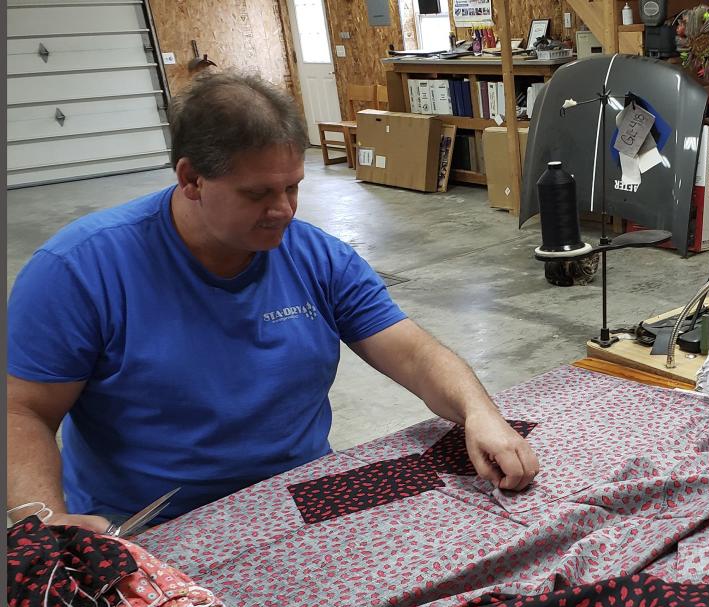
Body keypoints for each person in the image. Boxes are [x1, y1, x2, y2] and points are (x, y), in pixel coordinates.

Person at [7, 72, 539, 533]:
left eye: (293, 187)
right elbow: (21, 409)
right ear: (191, 179)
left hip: (300, 502)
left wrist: (479, 413)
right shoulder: (81, 270)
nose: (283, 210)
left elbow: (413, 352)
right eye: (258, 194)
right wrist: (45, 520)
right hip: (151, 526)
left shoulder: (315, 257)